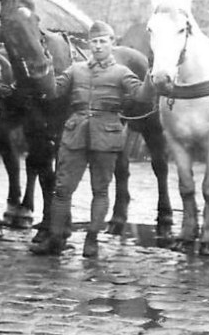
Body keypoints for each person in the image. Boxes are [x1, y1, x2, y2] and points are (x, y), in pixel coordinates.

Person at [30, 21, 144, 259]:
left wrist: (155, 80)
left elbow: (141, 95)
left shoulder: (122, 73)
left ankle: (91, 240)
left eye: (103, 41)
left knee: (100, 190)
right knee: (62, 190)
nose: (98, 46)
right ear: (89, 44)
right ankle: (55, 239)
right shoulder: (75, 70)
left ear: (112, 43)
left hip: (106, 135)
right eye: (94, 41)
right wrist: (44, 72)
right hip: (75, 135)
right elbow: (53, 92)